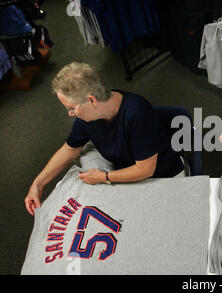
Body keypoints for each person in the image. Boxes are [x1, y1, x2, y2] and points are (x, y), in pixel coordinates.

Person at [24, 62, 185, 216]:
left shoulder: (137, 112)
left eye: (72, 108)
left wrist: (104, 178)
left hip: (163, 178)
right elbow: (70, 149)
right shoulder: (87, 118)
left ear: (92, 100)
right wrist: (37, 184)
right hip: (129, 175)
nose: (70, 114)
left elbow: (145, 169)